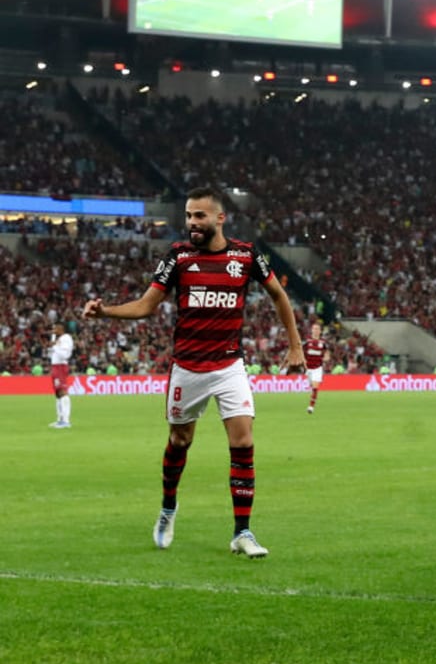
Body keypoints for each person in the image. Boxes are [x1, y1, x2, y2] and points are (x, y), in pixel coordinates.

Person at [83, 187, 304, 558]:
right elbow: (146, 306)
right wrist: (106, 312)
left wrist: (295, 345)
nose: (191, 223)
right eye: (188, 216)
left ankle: (242, 532)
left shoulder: (246, 256)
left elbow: (279, 296)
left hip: (229, 364)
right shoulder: (179, 257)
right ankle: (168, 508)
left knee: (244, 441)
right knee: (180, 441)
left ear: (220, 218)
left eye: (199, 216)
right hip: (187, 367)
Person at [48, 321, 75, 428]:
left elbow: (65, 355)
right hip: (55, 366)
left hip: (60, 367)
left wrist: (54, 346)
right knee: (58, 394)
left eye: (56, 328)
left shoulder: (66, 338)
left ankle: (66, 421)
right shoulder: (59, 339)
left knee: (63, 392)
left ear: (62, 328)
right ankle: (60, 419)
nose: (53, 330)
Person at [302, 322, 328, 414]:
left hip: (317, 368)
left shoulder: (323, 343)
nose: (316, 330)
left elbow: (326, 353)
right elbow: (301, 352)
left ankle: (311, 407)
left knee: (315, 387)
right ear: (312, 330)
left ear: (320, 331)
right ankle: (313, 395)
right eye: (314, 329)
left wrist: (326, 358)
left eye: (317, 329)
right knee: (312, 385)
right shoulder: (307, 341)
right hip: (308, 369)